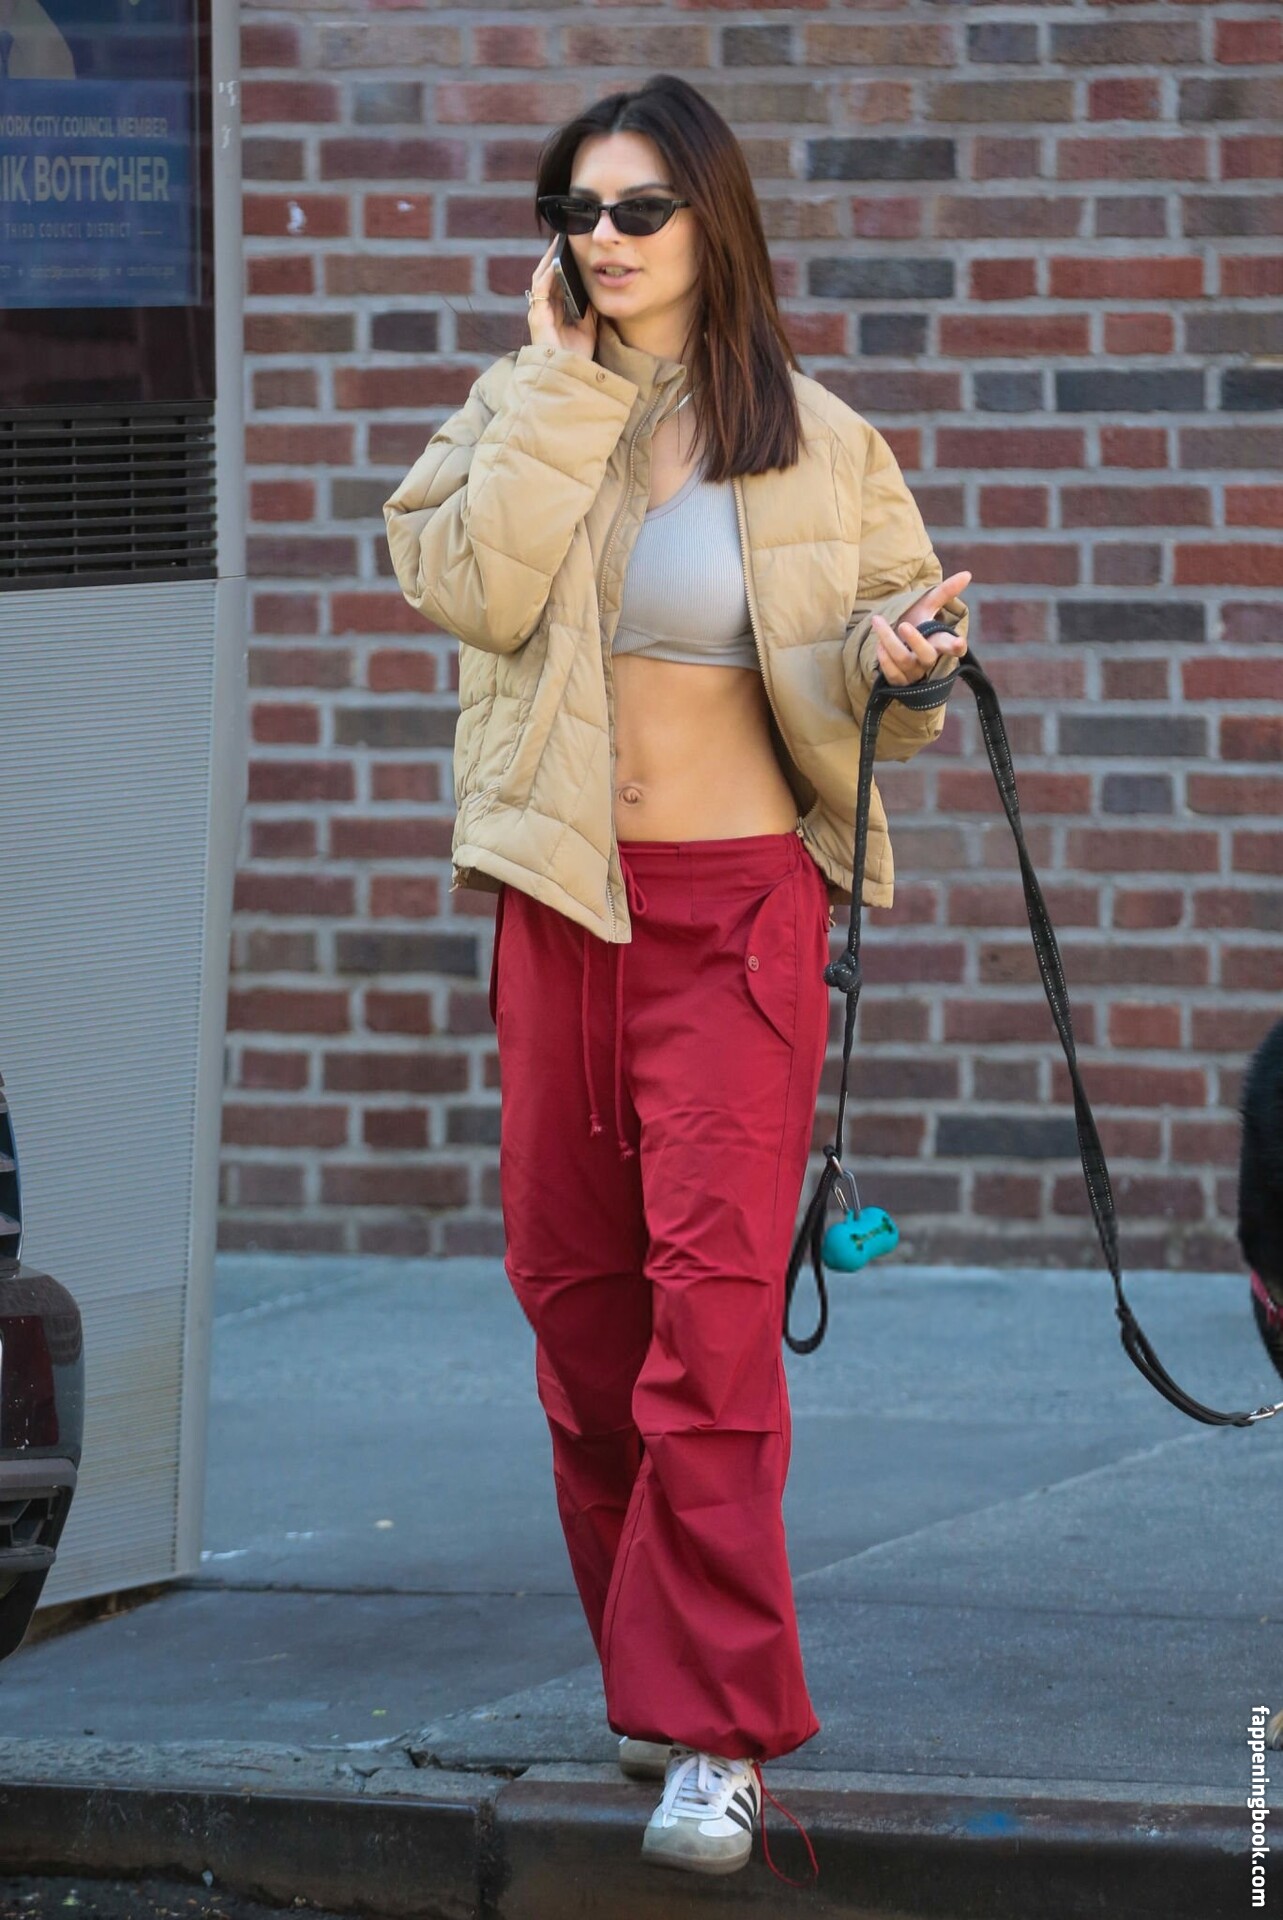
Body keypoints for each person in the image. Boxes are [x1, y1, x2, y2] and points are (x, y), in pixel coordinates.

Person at [384, 72, 971, 1881]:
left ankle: (720, 1734)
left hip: (737, 923)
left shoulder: (818, 440)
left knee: (709, 1328)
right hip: (564, 908)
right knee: (581, 1321)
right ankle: (649, 1679)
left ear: (714, 222)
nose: (606, 239)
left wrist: (902, 659)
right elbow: (466, 585)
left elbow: (885, 675)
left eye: (641, 208)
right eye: (577, 210)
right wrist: (559, 387)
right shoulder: (520, 405)